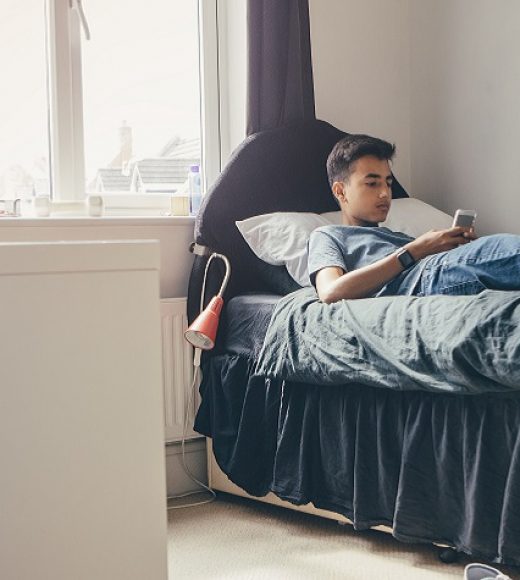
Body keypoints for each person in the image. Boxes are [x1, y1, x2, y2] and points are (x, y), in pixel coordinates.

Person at [308, 134, 520, 303]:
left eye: (388, 183)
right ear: (340, 191)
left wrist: (451, 246)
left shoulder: (396, 237)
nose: (385, 193)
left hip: (440, 270)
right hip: (427, 278)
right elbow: (330, 292)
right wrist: (415, 250)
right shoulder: (327, 235)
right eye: (372, 183)